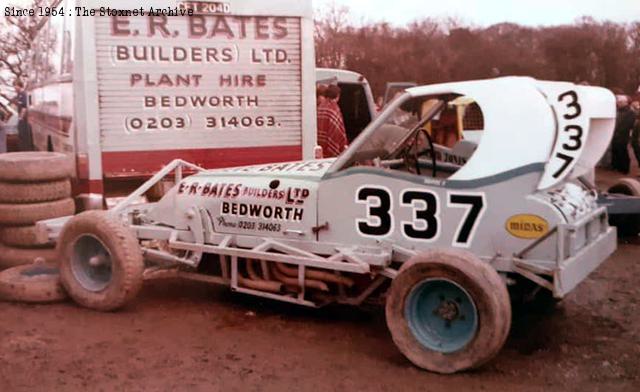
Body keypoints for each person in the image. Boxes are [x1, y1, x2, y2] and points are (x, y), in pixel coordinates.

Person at [316, 84, 348, 158]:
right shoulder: (334, 109)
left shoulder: (320, 107)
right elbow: (337, 131)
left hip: (320, 144)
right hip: (330, 145)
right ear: (337, 96)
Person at [611, 95, 636, 174]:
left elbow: (629, 124)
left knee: (622, 150)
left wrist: (619, 130)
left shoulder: (630, 112)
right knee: (615, 149)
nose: (618, 104)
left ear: (625, 103)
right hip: (616, 133)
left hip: (623, 134)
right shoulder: (618, 111)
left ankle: (624, 168)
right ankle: (616, 166)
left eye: (620, 102)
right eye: (618, 102)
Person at [14, 80, 33, 151]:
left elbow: (24, 107)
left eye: (15, 86)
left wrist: (21, 117)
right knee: (20, 135)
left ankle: (26, 150)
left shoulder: (23, 94)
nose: (14, 88)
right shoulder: (19, 94)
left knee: (24, 135)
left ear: (19, 85)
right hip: (21, 118)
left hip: (24, 119)